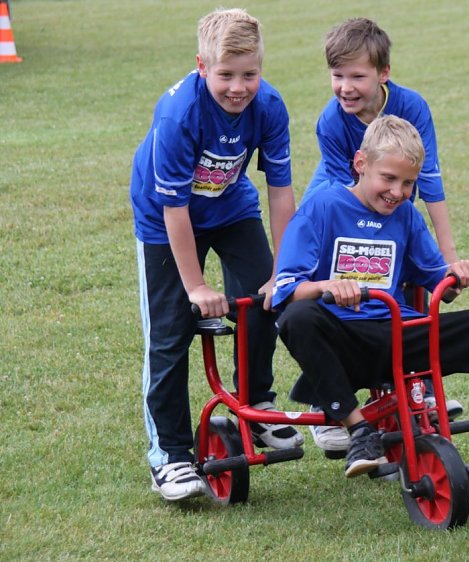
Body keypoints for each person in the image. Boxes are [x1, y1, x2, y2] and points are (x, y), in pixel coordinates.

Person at [272, 116, 469, 498]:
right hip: (342, 343)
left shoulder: (405, 215)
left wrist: (457, 274)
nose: (398, 192)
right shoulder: (323, 206)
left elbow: (438, 281)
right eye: (388, 178)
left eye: (408, 183)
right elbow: (283, 292)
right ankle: (359, 431)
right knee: (297, 316)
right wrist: (326, 286)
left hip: (400, 335)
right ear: (360, 163)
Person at [130, 8, 303, 502]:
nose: (238, 87)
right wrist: (196, 286)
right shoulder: (180, 113)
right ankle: (171, 456)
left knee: (265, 300)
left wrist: (284, 270)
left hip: (231, 208)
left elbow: (280, 191)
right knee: (170, 333)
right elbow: (175, 208)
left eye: (249, 74)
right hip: (165, 218)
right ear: (202, 67)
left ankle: (256, 404)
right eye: (225, 75)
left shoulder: (268, 106)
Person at [301, 17, 463, 455]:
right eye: (337, 76)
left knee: (408, 268)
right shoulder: (332, 122)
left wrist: (447, 259)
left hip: (393, 193)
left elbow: (429, 182)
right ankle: (329, 402)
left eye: (357, 76)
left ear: (383, 74)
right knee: (344, 268)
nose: (346, 87)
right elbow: (342, 200)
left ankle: (413, 384)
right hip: (341, 191)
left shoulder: (412, 107)